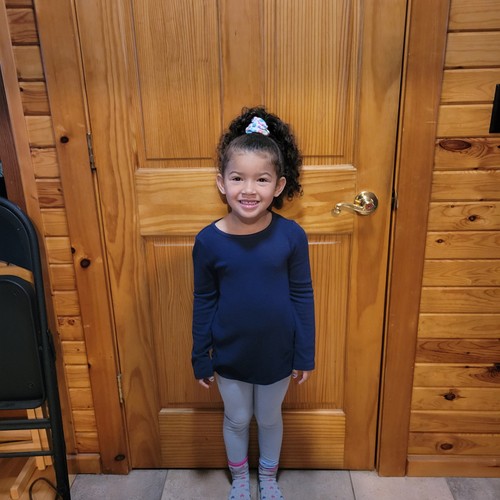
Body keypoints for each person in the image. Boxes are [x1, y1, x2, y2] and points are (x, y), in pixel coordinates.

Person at [191, 107, 315, 500]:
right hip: (230, 352)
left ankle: (269, 478)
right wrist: (200, 354)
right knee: (238, 418)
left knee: (269, 417)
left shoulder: (292, 236)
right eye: (237, 178)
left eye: (261, 179)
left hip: (278, 351)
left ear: (278, 186)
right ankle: (241, 479)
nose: (249, 189)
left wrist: (305, 353)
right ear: (221, 182)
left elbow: (302, 295)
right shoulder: (208, 241)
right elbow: (204, 299)